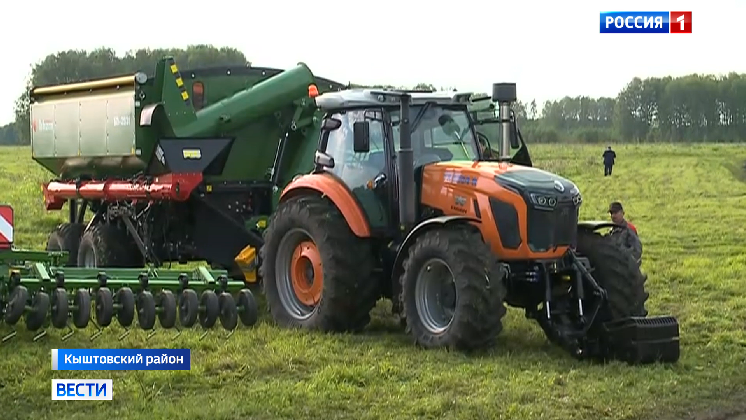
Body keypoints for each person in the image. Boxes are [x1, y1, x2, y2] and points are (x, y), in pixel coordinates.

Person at [608, 201, 642, 266]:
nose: (613, 216)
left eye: (615, 213)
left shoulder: (629, 229)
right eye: (611, 213)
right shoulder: (612, 230)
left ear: (622, 213)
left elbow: (637, 251)